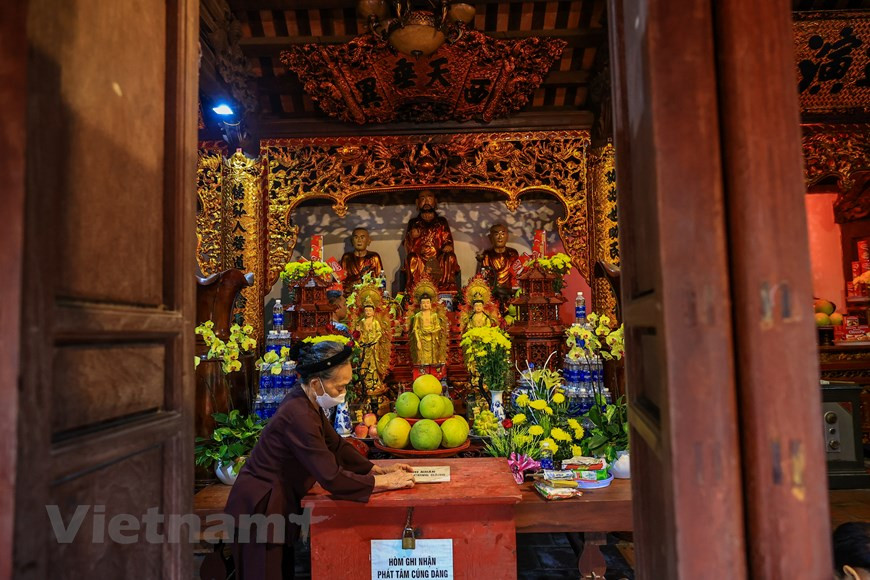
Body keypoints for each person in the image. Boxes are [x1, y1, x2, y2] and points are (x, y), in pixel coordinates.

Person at [224, 340, 415, 579]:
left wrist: (376, 469)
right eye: (339, 387)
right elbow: (331, 478)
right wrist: (387, 483)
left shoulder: (307, 401)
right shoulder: (298, 414)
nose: (343, 393)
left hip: (276, 503)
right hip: (259, 507)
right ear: (316, 383)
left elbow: (334, 444)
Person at [403, 190, 461, 291]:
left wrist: (448, 245)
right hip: (420, 262)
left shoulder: (441, 222)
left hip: (438, 260)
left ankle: (446, 285)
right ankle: (415, 287)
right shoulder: (413, 223)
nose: (426, 201)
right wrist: (411, 236)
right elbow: (408, 246)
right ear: (417, 202)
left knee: (450, 257)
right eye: (422, 198)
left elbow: (448, 240)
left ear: (435, 201)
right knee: (411, 258)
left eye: (429, 198)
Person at [476, 223, 520, 293]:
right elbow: (484, 275)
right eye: (496, 234)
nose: (500, 237)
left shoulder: (512, 253)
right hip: (493, 291)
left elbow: (517, 273)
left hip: (510, 290)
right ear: (490, 237)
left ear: (507, 236)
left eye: (502, 234)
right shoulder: (487, 254)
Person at [340, 228, 384, 293]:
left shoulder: (374, 257)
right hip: (351, 293)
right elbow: (341, 280)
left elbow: (380, 280)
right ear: (352, 241)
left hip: (369, 294)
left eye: (362, 237)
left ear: (368, 241)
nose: (359, 240)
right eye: (356, 237)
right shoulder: (347, 257)